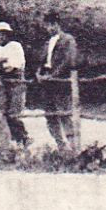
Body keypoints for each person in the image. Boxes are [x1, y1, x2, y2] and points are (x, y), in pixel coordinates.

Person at [34, 13, 79, 151]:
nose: (49, 28)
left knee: (64, 113)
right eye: (47, 25)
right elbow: (42, 61)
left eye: (51, 25)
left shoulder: (68, 40)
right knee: (49, 114)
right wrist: (38, 73)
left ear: (57, 24)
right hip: (47, 82)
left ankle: (73, 145)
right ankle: (60, 145)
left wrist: (54, 75)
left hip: (60, 81)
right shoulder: (48, 42)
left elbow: (68, 60)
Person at [0, 21, 29, 150]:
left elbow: (14, 65)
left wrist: (0, 63)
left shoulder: (15, 46)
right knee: (2, 113)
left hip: (15, 84)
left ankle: (23, 138)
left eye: (3, 34)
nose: (1, 37)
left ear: (8, 35)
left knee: (13, 113)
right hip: (2, 85)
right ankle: (10, 143)